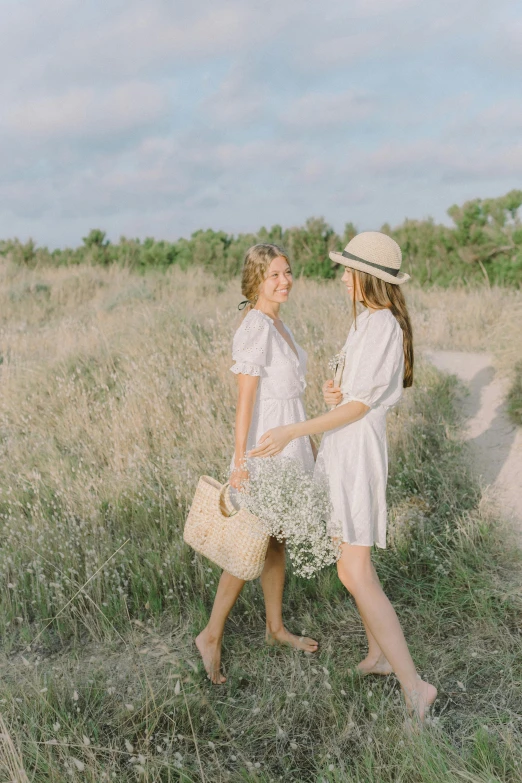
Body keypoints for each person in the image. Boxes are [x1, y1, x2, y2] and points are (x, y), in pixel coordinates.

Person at [249, 232, 437, 722]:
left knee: (354, 570)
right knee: (352, 566)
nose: (340, 279)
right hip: (344, 444)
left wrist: (296, 428)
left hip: (358, 451)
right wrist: (335, 396)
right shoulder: (366, 324)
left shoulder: (384, 327)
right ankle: (377, 656)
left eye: (346, 270)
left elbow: (362, 407)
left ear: (364, 277)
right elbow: (352, 398)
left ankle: (415, 686)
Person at [196, 243, 318, 684]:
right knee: (249, 543)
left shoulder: (279, 323)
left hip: (291, 443)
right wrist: (239, 462)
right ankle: (210, 635)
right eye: (275, 276)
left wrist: (310, 442)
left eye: (288, 273)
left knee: (277, 540)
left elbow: (292, 397)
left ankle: (274, 627)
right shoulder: (255, 327)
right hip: (264, 450)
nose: (285, 281)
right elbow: (244, 402)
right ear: (256, 281)